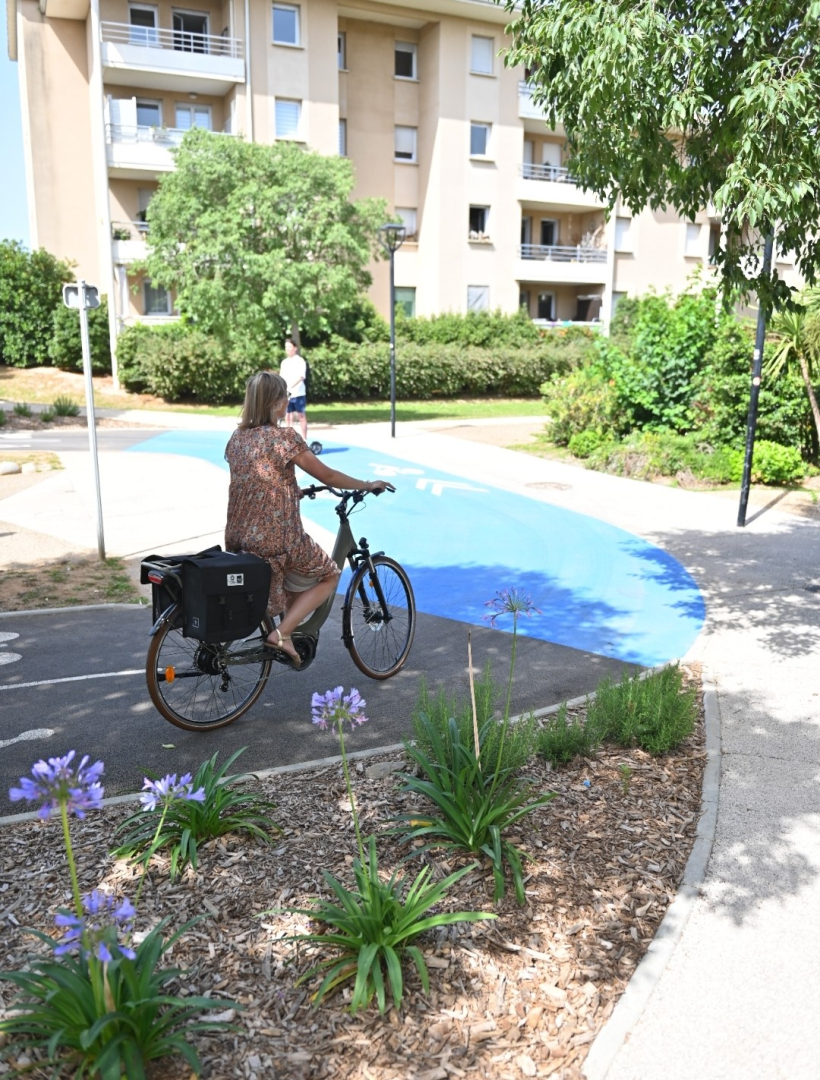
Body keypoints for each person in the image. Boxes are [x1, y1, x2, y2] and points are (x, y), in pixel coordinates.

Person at [224, 371, 394, 668]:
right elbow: (327, 475)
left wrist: (293, 491)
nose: (287, 401)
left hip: (239, 535)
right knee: (330, 575)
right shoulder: (284, 438)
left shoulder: (237, 439)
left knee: (295, 576)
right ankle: (283, 633)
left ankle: (287, 631)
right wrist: (367, 484)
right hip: (279, 538)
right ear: (275, 403)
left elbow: (255, 481)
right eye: (285, 396)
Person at [280, 337, 308, 440]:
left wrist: (291, 385)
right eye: (286, 347)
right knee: (288, 417)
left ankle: (305, 440)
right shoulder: (284, 362)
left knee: (301, 416)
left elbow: (301, 376)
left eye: (289, 347)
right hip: (287, 394)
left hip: (298, 393)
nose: (287, 349)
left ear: (295, 348)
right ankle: (290, 440)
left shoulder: (300, 361)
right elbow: (282, 377)